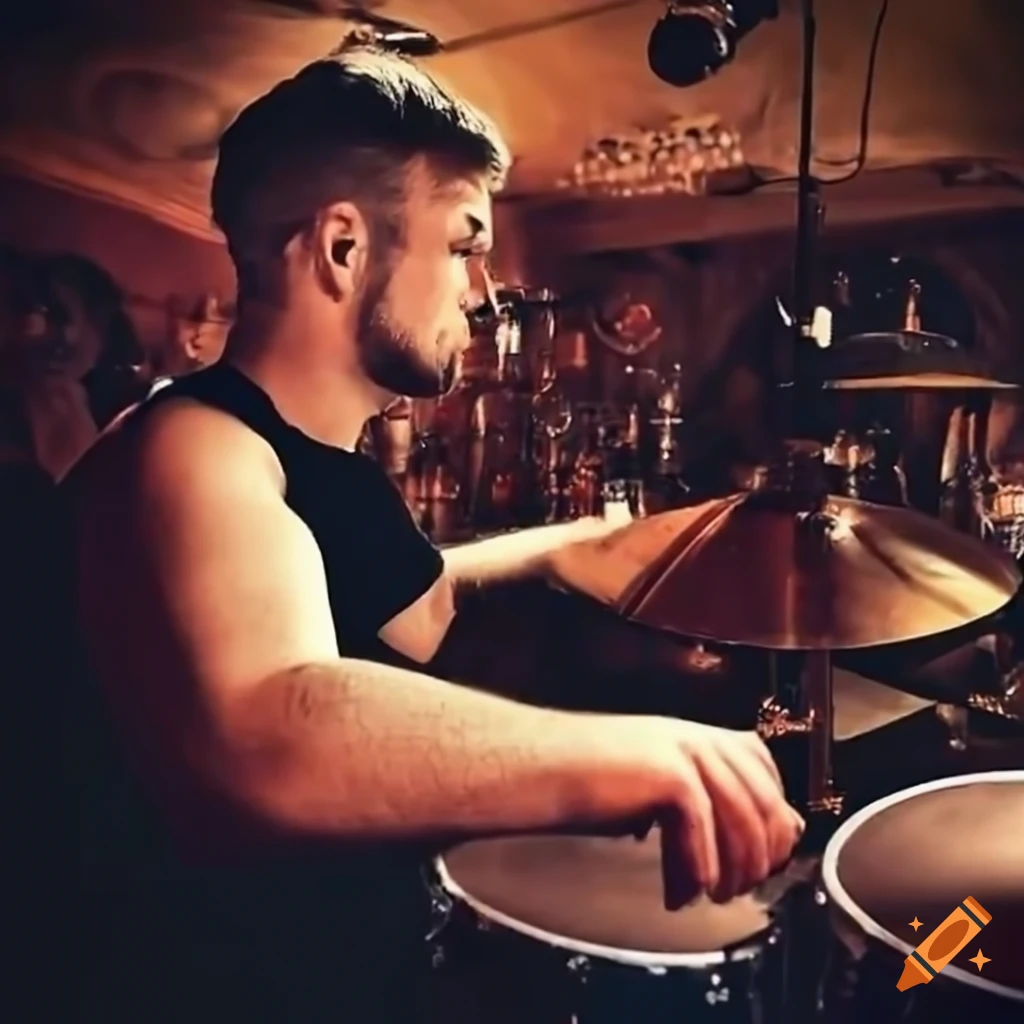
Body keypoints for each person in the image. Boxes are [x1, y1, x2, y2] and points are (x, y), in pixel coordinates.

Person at [60, 48, 803, 1022]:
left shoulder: (319, 469)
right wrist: (649, 757)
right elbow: (263, 729)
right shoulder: (192, 447)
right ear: (340, 248)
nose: (482, 292)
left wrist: (573, 544)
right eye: (462, 245)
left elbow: (420, 603)